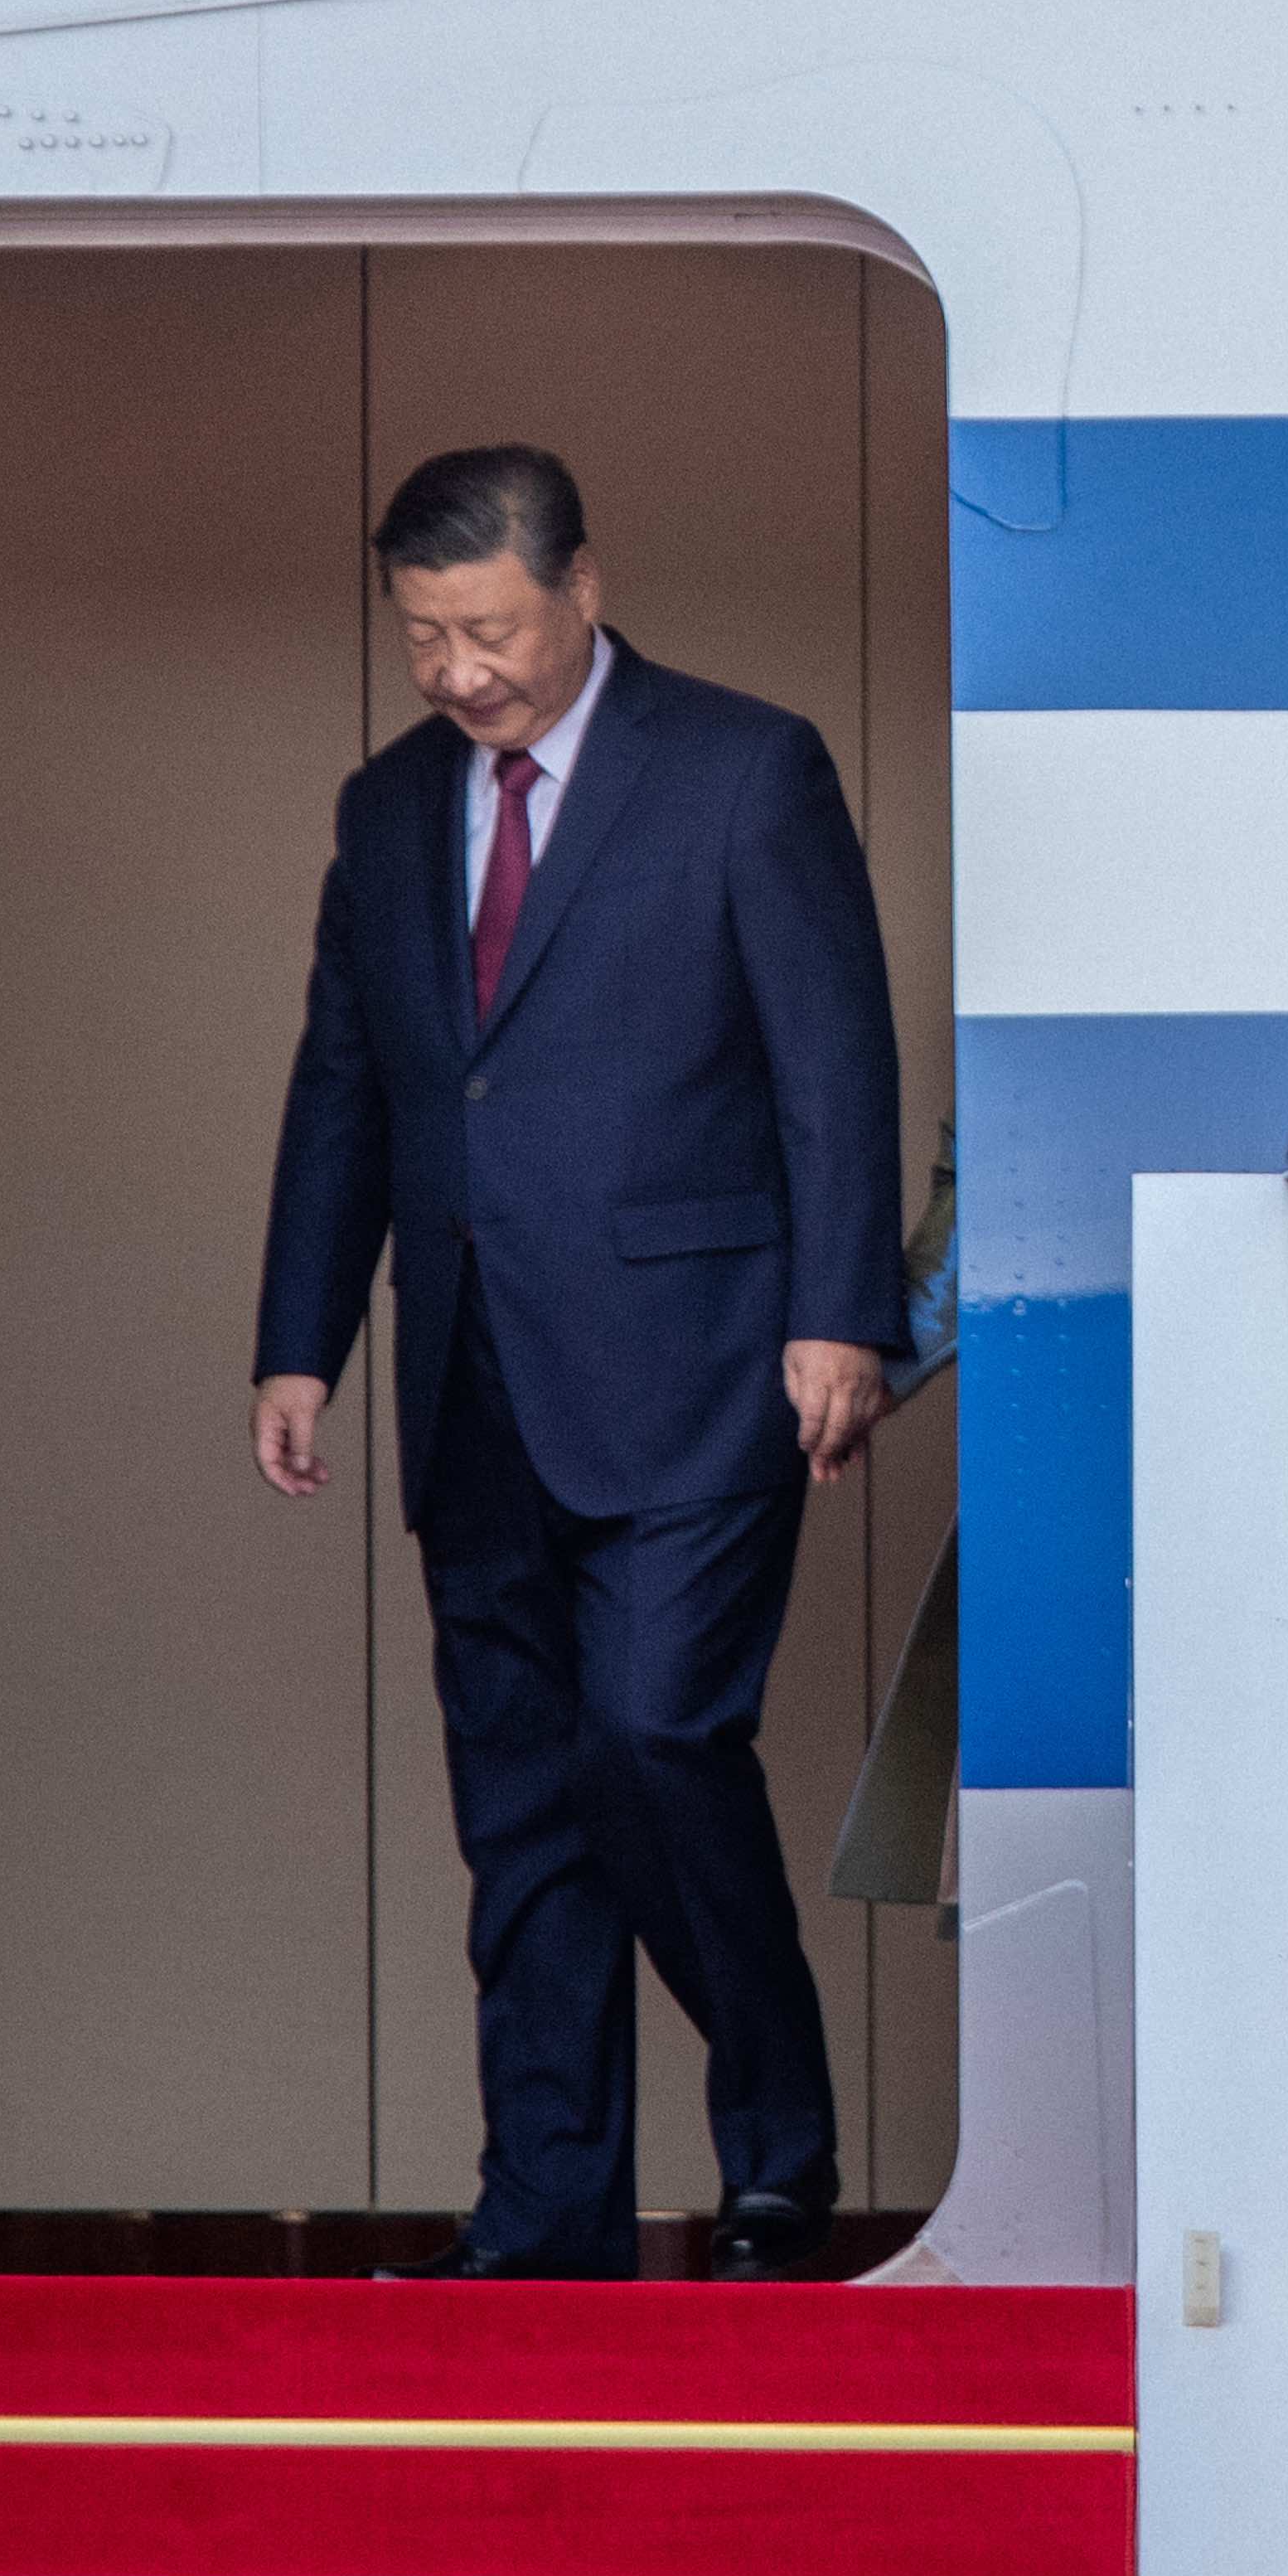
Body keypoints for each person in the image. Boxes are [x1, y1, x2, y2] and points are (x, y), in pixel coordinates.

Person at [248, 443, 907, 2280]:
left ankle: (776, 2136)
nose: (458, 669)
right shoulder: (387, 812)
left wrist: (843, 1309)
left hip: (706, 1368)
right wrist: (301, 1336)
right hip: (469, 1381)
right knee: (524, 1815)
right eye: (422, 635)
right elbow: (350, 1089)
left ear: (584, 589)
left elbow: (832, 1065)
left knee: (655, 1733)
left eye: (487, 627)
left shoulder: (742, 766)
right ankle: (547, 2214)